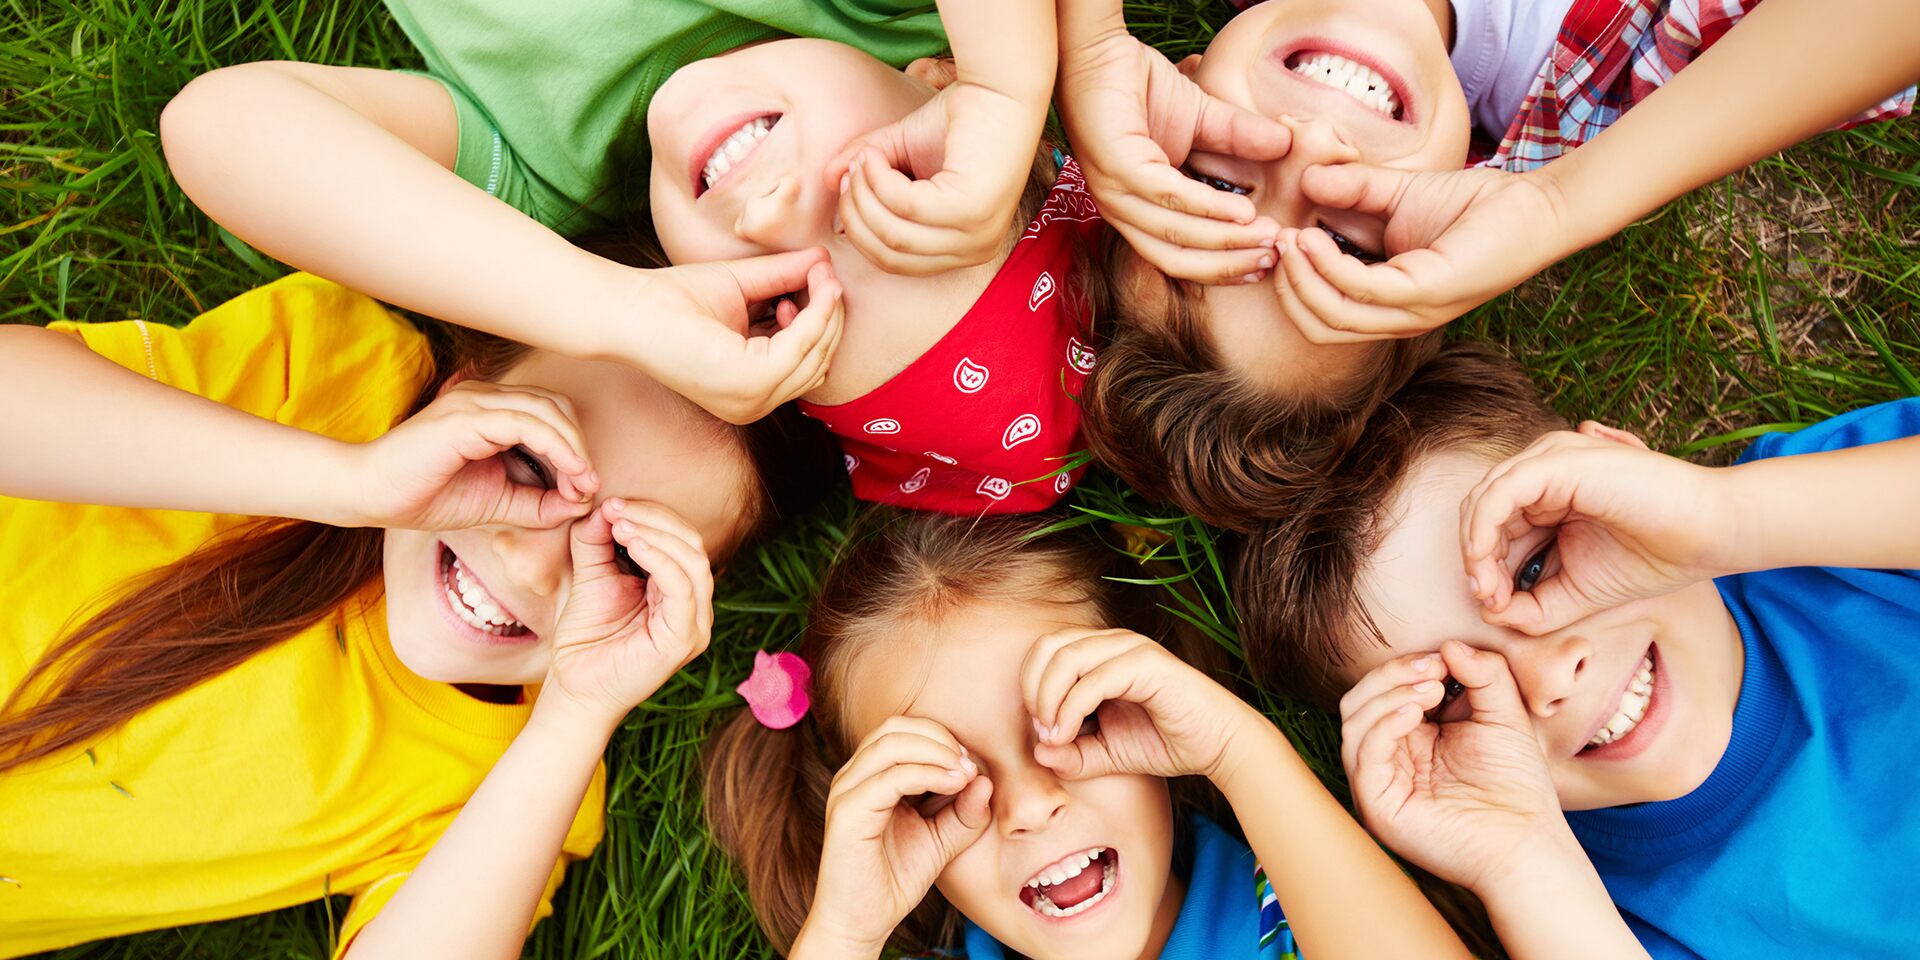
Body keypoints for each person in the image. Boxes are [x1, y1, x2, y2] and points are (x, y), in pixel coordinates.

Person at [0, 267, 838, 959]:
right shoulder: (329, 373)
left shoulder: (514, 782)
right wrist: (348, 482)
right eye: (532, 464)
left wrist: (578, 714)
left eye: (623, 556)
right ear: (461, 391)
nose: (530, 558)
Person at [158, 0, 1105, 515]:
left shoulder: (538, 174)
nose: (777, 214)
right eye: (884, 192)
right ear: (933, 80)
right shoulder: (880, 15)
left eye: (778, 300)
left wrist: (612, 309)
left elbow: (220, 128)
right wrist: (1006, 87)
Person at [1058, 0, 1917, 528]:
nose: (1308, 148)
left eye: (1214, 183)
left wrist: (1083, 39)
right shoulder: (1663, 82)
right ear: (1438, 242)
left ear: (1172, 89)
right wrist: (1558, 205)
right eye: (1345, 243)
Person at [1234, 343, 1920, 957]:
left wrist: (1725, 516)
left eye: (1535, 569)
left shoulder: (1819, 526)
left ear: (1624, 473)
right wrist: (1522, 864)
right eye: (1453, 693)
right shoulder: (1592, 919)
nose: (1547, 678)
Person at [702, 512, 1490, 960]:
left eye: (1072, 724)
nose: (1031, 807)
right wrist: (842, 931)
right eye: (942, 788)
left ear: (1152, 711)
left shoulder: (1303, 901)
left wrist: (1237, 749)